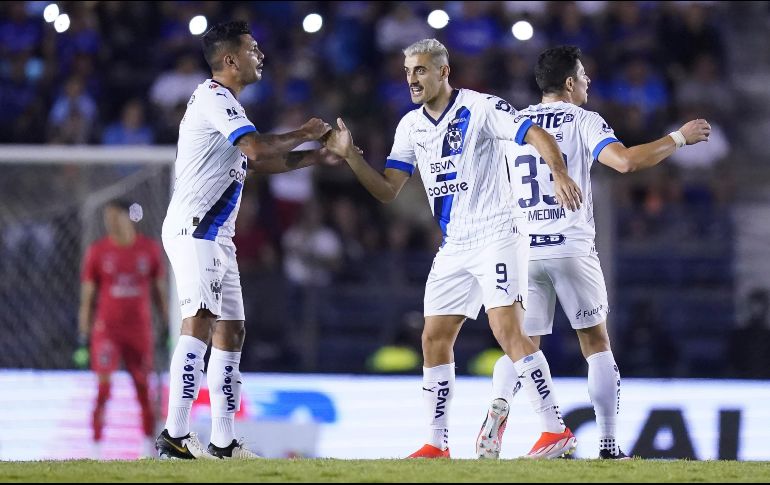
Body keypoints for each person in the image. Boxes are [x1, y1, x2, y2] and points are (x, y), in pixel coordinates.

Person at [324, 38, 584, 459]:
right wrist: (352, 157)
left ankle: (555, 428)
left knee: (507, 331)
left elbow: (533, 132)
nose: (412, 78)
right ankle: (436, 443)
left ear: (444, 72)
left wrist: (557, 172)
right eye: (408, 71)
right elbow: (389, 190)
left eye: (421, 70)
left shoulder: (481, 107)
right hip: (455, 245)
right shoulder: (409, 126)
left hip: (498, 233)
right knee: (433, 337)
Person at [477, 45, 711, 460]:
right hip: (570, 246)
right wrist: (678, 137)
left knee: (522, 343)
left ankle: (500, 406)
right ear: (569, 84)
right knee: (596, 343)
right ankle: (607, 444)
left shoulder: (516, 123)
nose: (588, 82)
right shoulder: (583, 119)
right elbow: (624, 163)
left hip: (523, 249)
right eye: (583, 76)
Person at [156, 21, 333, 459]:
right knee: (199, 319)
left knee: (231, 331)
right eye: (254, 49)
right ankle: (174, 434)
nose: (261, 56)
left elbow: (254, 163)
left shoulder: (227, 105)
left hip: (218, 234)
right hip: (196, 227)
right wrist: (307, 132)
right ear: (231, 60)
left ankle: (222, 442)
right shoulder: (215, 98)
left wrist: (318, 157)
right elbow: (255, 149)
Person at [77, 199, 166, 457]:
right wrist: (83, 336)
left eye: (115, 216)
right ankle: (95, 448)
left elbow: (159, 293)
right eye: (107, 217)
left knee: (142, 388)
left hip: (139, 331)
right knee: (103, 388)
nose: (110, 222)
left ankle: (148, 448)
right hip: (107, 332)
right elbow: (88, 298)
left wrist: (167, 328)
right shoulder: (98, 251)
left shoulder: (148, 250)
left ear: (129, 217)